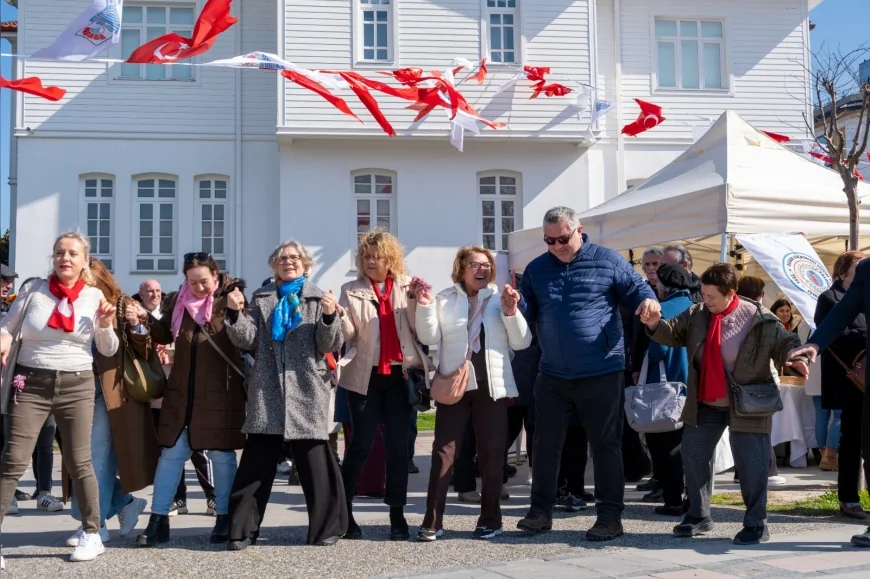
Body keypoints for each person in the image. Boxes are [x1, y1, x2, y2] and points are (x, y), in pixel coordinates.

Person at [516, 206, 659, 541]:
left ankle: (609, 516)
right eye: (548, 241)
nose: (556, 246)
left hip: (601, 371)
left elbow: (638, 288)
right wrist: (514, 306)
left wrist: (649, 303)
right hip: (551, 374)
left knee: (605, 444)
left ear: (579, 230)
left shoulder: (607, 260)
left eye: (562, 239)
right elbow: (527, 312)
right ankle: (540, 512)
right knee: (545, 445)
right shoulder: (537, 269)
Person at [642, 263, 807, 545]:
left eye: (711, 296)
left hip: (747, 403)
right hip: (706, 400)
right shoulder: (697, 314)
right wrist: (654, 323)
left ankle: (756, 523)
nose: (705, 300)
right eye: (703, 294)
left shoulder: (760, 318)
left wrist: (796, 355)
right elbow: (672, 333)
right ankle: (699, 515)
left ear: (731, 293)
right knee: (693, 454)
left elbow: (785, 342)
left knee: (752, 464)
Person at [0, 232, 119, 565]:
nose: (65, 258)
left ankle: (92, 533)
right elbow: (8, 326)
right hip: (31, 381)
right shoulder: (33, 291)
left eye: (72, 254)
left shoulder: (95, 296)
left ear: (84, 261)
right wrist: (4, 340)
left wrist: (106, 326)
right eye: (59, 253)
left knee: (80, 462)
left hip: (77, 383)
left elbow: (109, 350)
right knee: (13, 459)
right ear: (52, 258)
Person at [224, 240, 346, 550]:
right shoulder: (261, 298)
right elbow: (248, 339)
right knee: (256, 462)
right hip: (268, 390)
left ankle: (326, 529)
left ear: (306, 264)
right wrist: (235, 314)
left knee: (315, 463)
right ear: (274, 266)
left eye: (294, 258)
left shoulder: (320, 298)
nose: (288, 262)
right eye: (282, 259)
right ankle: (241, 530)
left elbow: (327, 344)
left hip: (307, 388)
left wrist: (330, 317)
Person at [415, 245, 531, 541]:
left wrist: (511, 312)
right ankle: (432, 520)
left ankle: (490, 519)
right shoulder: (444, 298)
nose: (482, 270)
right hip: (455, 385)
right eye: (475, 265)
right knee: (443, 454)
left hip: (491, 387)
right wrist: (425, 306)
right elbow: (429, 337)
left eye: (487, 265)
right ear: (462, 268)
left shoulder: (500, 299)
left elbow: (521, 342)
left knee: (492, 455)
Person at [134, 253, 246, 547]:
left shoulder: (232, 298)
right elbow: (163, 333)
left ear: (216, 275)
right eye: (192, 281)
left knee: (221, 455)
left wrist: (235, 313)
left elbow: (247, 339)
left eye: (204, 281)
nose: (198, 287)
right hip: (181, 391)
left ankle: (224, 516)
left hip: (220, 391)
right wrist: (145, 318)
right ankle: (158, 520)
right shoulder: (176, 301)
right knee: (171, 454)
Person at [337, 228, 428, 541]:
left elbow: (420, 330)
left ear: (391, 259)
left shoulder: (406, 287)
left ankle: (397, 515)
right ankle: (343, 512)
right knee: (361, 444)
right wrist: (337, 317)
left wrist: (419, 300)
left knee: (398, 447)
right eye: (367, 256)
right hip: (365, 376)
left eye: (378, 257)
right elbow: (348, 334)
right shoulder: (350, 289)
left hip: (400, 376)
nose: (372, 261)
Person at [64, 258, 159, 546]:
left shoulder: (120, 304)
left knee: (96, 458)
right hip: (74, 388)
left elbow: (145, 346)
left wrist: (136, 322)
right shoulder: (69, 303)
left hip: (111, 394)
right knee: (76, 458)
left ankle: (95, 525)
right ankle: (124, 501)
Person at [137, 279, 217, 517]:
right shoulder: (136, 317)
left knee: (196, 446)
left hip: (182, 390)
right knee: (168, 448)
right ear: (140, 294)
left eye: (158, 291)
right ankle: (178, 498)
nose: (155, 295)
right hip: (154, 393)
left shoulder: (176, 314)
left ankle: (212, 495)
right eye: (149, 291)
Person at [810, 251, 867, 520]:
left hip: (862, 372)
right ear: (844, 271)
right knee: (853, 439)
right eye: (855, 265)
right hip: (850, 379)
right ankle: (848, 498)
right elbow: (836, 331)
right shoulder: (829, 298)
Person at [642, 264, 694, 516]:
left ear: (663, 286)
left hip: (666, 385)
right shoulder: (696, 307)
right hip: (692, 383)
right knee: (688, 444)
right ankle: (690, 496)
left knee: (665, 442)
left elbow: (657, 349)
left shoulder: (665, 310)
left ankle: (672, 498)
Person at [735, 276, 788, 487]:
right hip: (760, 379)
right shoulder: (763, 317)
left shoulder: (732, 314)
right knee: (762, 428)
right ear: (760, 294)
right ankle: (769, 470)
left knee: (740, 428)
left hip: (736, 378)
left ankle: (742, 471)